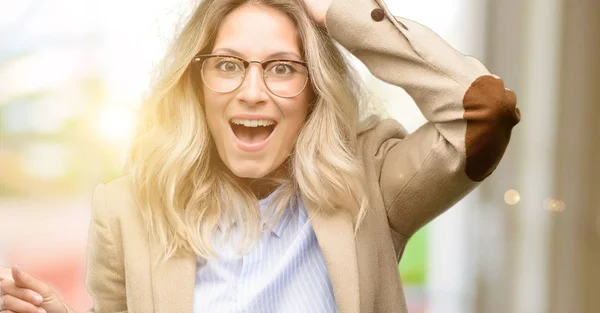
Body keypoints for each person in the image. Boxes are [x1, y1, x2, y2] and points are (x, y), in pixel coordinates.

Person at [0, 0, 521, 312]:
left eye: (281, 68)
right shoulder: (125, 209)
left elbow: (484, 112)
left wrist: (341, 13)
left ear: (315, 89)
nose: (252, 91)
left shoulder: (371, 186)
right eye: (228, 64)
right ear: (197, 83)